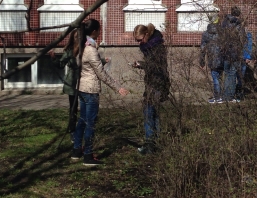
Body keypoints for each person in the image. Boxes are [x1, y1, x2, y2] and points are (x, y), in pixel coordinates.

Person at [71, 19, 129, 166]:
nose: (100, 31)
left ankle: (77, 150)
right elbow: (101, 73)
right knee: (90, 123)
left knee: (82, 120)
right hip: (90, 90)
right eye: (99, 29)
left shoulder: (81, 46)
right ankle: (88, 155)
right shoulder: (90, 49)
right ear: (95, 31)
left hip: (82, 88)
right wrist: (118, 87)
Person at [132, 23, 170, 155]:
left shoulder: (157, 47)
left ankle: (150, 144)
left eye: (140, 39)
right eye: (137, 41)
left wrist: (142, 64)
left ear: (147, 34)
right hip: (152, 83)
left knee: (149, 113)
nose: (139, 43)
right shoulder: (150, 46)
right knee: (154, 113)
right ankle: (156, 143)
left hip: (157, 83)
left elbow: (157, 66)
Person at [49, 29, 79, 143]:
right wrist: (53, 57)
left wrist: (103, 61)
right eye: (76, 36)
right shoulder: (69, 50)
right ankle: (72, 131)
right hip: (72, 82)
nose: (78, 38)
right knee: (73, 108)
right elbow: (61, 65)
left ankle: (85, 129)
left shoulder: (86, 48)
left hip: (85, 81)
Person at [220, 6, 246, 102]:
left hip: (225, 52)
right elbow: (242, 39)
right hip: (235, 53)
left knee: (227, 74)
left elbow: (220, 38)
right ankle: (229, 96)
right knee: (232, 74)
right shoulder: (238, 24)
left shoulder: (224, 23)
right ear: (238, 14)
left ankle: (225, 96)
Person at [199, 14, 224, 104]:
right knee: (221, 77)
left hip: (212, 57)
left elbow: (202, 48)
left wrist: (201, 61)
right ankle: (221, 95)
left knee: (215, 77)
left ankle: (217, 97)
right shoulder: (223, 32)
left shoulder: (206, 33)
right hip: (222, 57)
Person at [235, 26, 254, 101]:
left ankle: (239, 93)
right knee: (234, 76)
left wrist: (248, 57)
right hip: (234, 58)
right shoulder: (233, 32)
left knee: (240, 76)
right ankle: (235, 93)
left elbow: (249, 46)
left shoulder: (247, 34)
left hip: (243, 58)